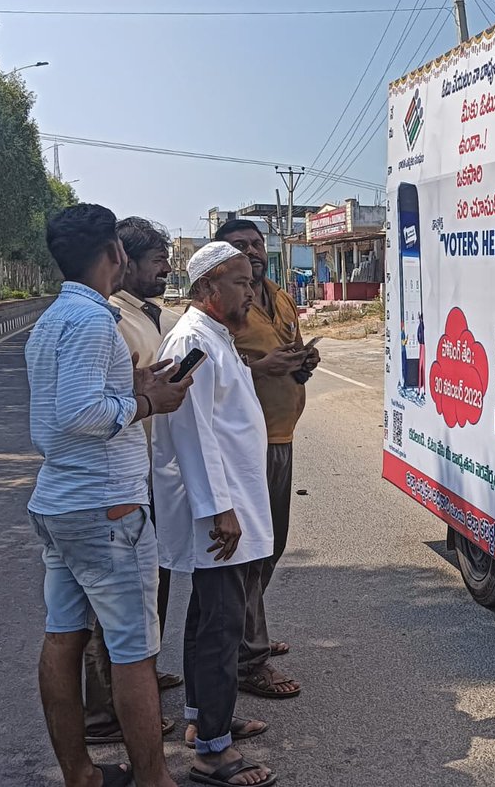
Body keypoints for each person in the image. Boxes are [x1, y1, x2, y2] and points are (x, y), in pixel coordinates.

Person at [26, 203, 192, 787]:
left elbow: (72, 405)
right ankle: (153, 778)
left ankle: (81, 773)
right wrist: (148, 403)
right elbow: (81, 413)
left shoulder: (52, 319)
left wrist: (132, 387)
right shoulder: (95, 321)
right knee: (132, 649)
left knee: (63, 635)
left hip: (62, 502)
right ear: (115, 255)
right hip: (106, 506)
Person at [152, 241, 276, 787]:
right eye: (240, 281)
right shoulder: (191, 340)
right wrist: (219, 508)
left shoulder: (215, 335)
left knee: (207, 616)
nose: (250, 290)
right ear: (207, 288)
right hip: (218, 509)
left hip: (229, 501)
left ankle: (205, 722)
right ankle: (212, 755)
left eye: (250, 281)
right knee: (221, 624)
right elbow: (192, 431)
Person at [83, 217, 184, 746]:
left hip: (147, 469)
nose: (165, 269)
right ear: (124, 262)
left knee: (151, 584)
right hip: (120, 475)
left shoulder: (149, 314)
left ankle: (138, 675)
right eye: (156, 262)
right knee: (116, 600)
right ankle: (106, 711)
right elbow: (100, 404)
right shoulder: (110, 321)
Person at [213, 219, 318, 702]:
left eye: (256, 244)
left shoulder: (277, 295)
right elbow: (216, 376)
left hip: (282, 437)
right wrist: (262, 368)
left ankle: (249, 629)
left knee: (270, 547)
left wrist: (300, 365)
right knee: (251, 551)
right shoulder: (223, 310)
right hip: (248, 445)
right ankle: (247, 657)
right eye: (240, 246)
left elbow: (285, 352)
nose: (252, 252)